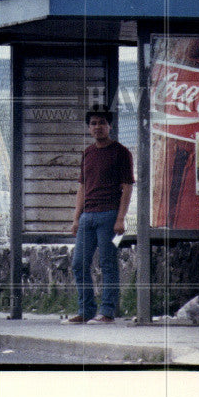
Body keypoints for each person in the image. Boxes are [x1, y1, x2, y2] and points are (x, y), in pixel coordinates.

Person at [70, 109, 135, 324]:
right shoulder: (87, 153)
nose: (98, 127)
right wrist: (76, 218)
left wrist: (120, 218)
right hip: (88, 216)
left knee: (108, 264)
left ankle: (107, 312)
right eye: (93, 123)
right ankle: (86, 310)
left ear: (110, 126)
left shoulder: (121, 152)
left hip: (109, 216)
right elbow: (82, 187)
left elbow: (127, 187)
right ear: (89, 128)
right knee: (79, 263)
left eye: (102, 123)